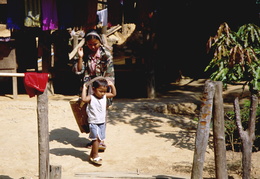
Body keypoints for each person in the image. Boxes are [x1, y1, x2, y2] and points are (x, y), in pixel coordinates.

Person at [73, 29, 115, 150]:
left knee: (101, 113)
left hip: (101, 88)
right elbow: (78, 70)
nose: (92, 47)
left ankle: (101, 140)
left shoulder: (106, 54)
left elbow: (109, 76)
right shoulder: (84, 53)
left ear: (100, 42)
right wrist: (80, 58)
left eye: (95, 44)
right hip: (89, 87)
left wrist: (105, 91)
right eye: (90, 44)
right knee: (90, 114)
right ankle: (94, 140)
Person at [81, 78, 117, 165]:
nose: (103, 93)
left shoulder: (104, 96)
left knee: (99, 139)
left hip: (102, 122)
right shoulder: (91, 97)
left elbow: (113, 93)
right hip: (93, 122)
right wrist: (84, 89)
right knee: (95, 138)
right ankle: (95, 155)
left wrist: (112, 85)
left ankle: (92, 154)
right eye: (100, 91)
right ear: (93, 89)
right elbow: (84, 99)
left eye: (104, 91)